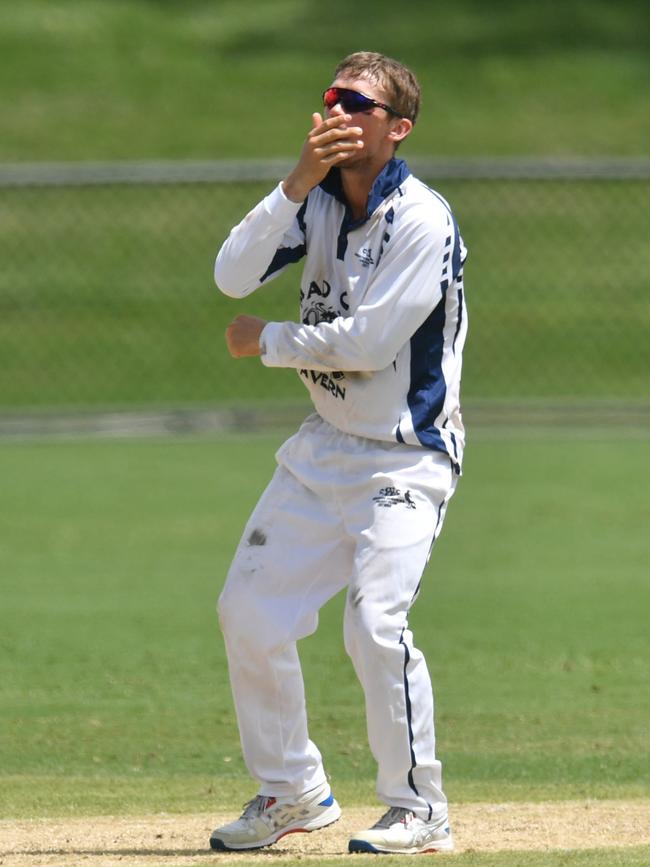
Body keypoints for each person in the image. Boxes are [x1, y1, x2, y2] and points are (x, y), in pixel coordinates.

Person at [210, 51, 467, 855]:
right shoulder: (314, 201)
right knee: (247, 611)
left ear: (399, 128)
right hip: (324, 447)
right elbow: (231, 274)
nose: (340, 111)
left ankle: (419, 807)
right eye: (331, 97)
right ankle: (293, 790)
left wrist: (268, 342)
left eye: (360, 103)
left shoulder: (422, 218)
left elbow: (369, 342)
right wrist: (292, 181)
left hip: (404, 455)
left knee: (374, 625)